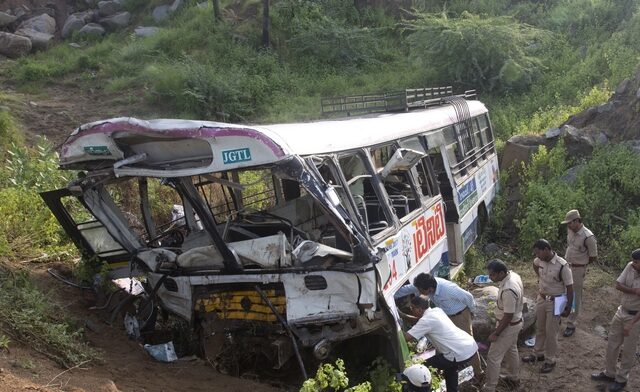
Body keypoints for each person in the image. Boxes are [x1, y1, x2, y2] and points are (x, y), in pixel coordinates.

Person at [412, 273, 482, 376]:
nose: (419, 292)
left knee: (467, 344)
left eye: (421, 290)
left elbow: (468, 297)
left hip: (460, 315)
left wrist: (472, 312)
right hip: (446, 316)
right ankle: (443, 370)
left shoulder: (448, 289)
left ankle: (478, 372)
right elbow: (409, 288)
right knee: (442, 343)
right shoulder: (427, 284)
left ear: (430, 289)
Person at [403, 297, 478, 392]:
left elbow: (406, 337)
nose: (411, 310)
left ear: (419, 309)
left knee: (422, 368)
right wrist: (403, 315)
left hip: (458, 353)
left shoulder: (426, 321)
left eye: (412, 308)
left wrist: (392, 329)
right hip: (469, 346)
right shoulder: (436, 311)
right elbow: (419, 321)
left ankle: (424, 389)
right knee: (450, 369)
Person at [591, 249, 640, 392]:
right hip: (621, 311)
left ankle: (622, 379)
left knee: (629, 350)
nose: (633, 264)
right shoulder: (630, 266)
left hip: (635, 317)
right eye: (633, 261)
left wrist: (631, 324)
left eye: (636, 262)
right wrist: (635, 291)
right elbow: (618, 285)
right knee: (612, 344)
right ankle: (609, 373)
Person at [522, 239, 573, 373]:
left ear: (546, 249)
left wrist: (568, 307)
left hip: (557, 300)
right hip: (542, 298)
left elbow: (570, 287)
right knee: (540, 328)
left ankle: (550, 360)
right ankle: (537, 354)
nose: (536, 256)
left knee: (552, 332)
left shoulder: (562, 265)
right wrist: (541, 279)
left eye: (538, 252)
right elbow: (535, 265)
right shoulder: (539, 261)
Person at [482, 259, 524, 392]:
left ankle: (490, 387)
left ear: (501, 273)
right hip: (516, 322)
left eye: (492, 275)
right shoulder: (513, 275)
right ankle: (514, 377)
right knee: (512, 350)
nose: (490, 277)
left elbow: (508, 316)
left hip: (508, 326)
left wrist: (496, 333)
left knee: (493, 357)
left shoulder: (508, 290)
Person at [561, 209, 597, 337]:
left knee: (574, 296)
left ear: (577, 221)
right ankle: (560, 315)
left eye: (570, 223)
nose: (568, 226)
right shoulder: (570, 230)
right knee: (561, 291)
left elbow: (593, 256)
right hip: (566, 266)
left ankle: (571, 323)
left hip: (578, 269)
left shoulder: (588, 237)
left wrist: (581, 264)